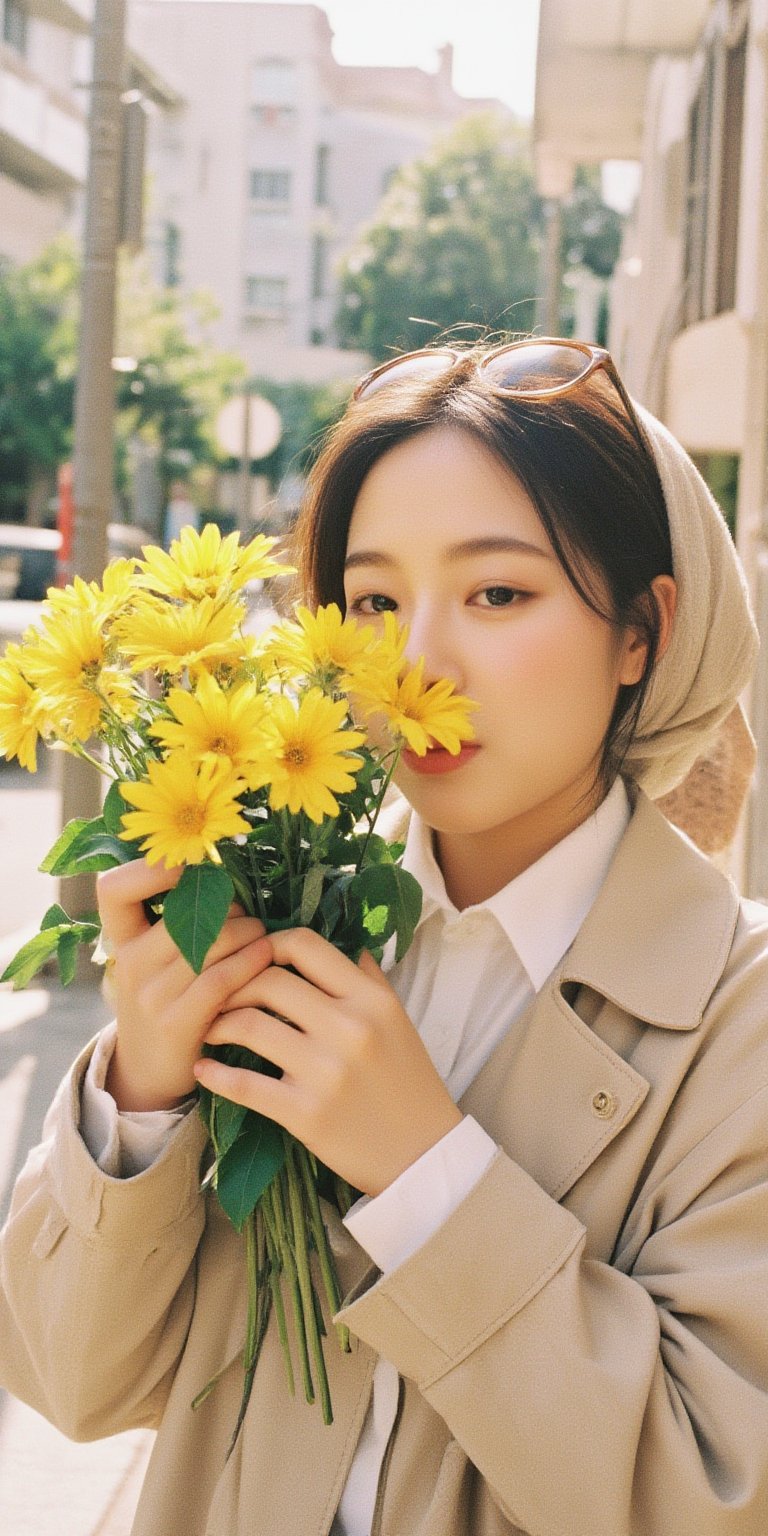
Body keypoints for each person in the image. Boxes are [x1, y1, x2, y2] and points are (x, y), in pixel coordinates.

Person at [2, 338, 768, 1536]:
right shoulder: (291, 910)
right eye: (372, 602)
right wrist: (141, 1099)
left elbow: (713, 1491)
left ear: (643, 630)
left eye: (497, 593)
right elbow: (70, 1385)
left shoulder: (739, 1017)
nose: (417, 665)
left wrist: (427, 1173)